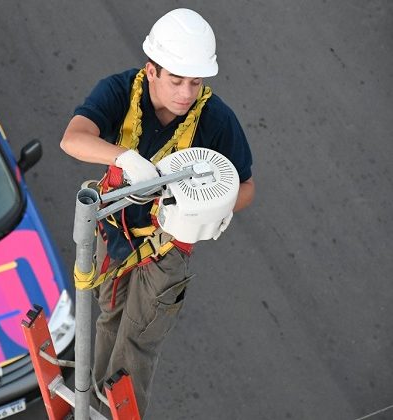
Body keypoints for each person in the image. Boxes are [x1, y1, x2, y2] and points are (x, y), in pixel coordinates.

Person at [59, 8, 255, 415]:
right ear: (151, 70)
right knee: (109, 319)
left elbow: (246, 187)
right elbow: (73, 139)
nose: (186, 93)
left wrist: (205, 208)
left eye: (195, 82)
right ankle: (90, 407)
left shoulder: (215, 119)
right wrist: (125, 158)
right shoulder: (119, 92)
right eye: (176, 80)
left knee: (136, 342)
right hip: (114, 234)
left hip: (167, 249)